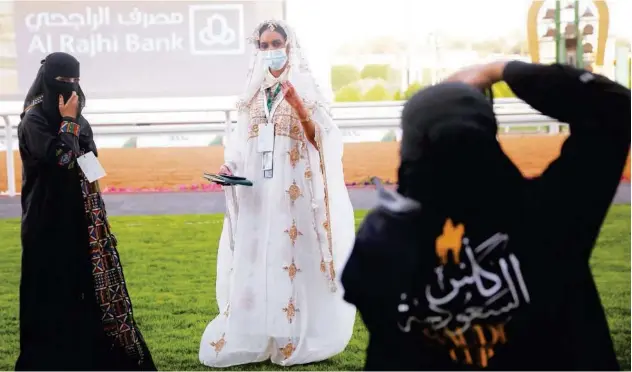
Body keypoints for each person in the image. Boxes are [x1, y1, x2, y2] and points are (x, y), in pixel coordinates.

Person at [341, 61, 630, 371]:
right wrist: (501, 70)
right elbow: (612, 106)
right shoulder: (551, 214)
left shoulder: (382, 243)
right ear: (487, 134)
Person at [199, 20, 356, 367]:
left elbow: (326, 143)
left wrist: (300, 108)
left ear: (289, 46)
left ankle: (293, 336)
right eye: (263, 44)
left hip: (294, 196)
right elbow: (240, 146)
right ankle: (258, 334)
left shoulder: (305, 88)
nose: (270, 50)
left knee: (292, 257)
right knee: (257, 259)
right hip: (257, 195)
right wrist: (230, 168)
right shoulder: (253, 95)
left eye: (276, 43)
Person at [16, 52, 156, 371]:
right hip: (46, 224)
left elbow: (91, 170)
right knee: (50, 295)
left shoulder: (81, 119)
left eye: (75, 81)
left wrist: (100, 221)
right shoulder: (34, 120)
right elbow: (63, 161)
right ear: (48, 81)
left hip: (81, 226)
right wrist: (67, 123)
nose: (70, 88)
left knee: (83, 296)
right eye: (63, 82)